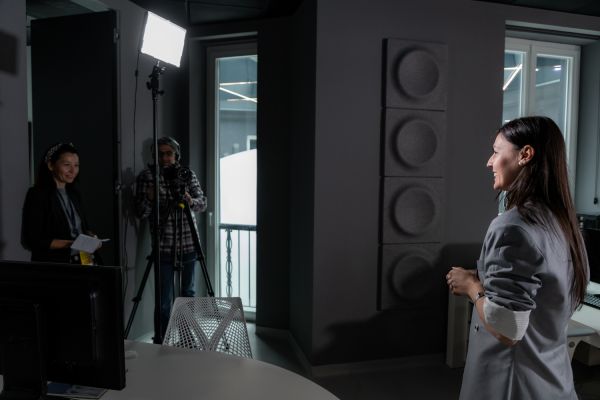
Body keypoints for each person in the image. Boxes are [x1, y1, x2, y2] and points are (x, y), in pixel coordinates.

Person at [446, 116, 588, 399]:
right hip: (552, 380)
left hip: (512, 384)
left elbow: (508, 327)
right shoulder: (566, 225)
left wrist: (471, 286)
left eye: (497, 151)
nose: (489, 162)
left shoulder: (513, 226)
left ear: (525, 154)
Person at [135, 136, 207, 338]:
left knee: (188, 295)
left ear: (176, 154)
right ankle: (162, 340)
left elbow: (202, 203)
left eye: (169, 153)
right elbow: (141, 212)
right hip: (163, 246)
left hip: (189, 243)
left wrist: (190, 201)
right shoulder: (148, 177)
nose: (165, 158)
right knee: (164, 299)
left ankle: (186, 337)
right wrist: (150, 198)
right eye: (160, 154)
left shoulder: (186, 174)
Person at [21, 142, 99, 264]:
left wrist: (92, 238)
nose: (73, 170)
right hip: (56, 265)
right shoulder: (37, 194)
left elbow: (82, 229)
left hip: (85, 260)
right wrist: (71, 243)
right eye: (67, 165)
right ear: (51, 165)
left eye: (76, 165)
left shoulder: (74, 194)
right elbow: (32, 240)